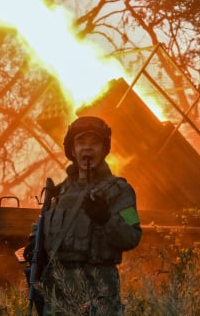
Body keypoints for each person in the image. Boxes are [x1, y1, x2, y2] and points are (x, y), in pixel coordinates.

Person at [26, 116, 142, 315]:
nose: (87, 149)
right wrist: (33, 244)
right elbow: (43, 233)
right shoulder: (58, 193)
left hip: (99, 296)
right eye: (80, 142)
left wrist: (106, 219)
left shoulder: (122, 191)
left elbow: (133, 235)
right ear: (72, 150)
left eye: (94, 142)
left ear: (104, 149)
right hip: (57, 297)